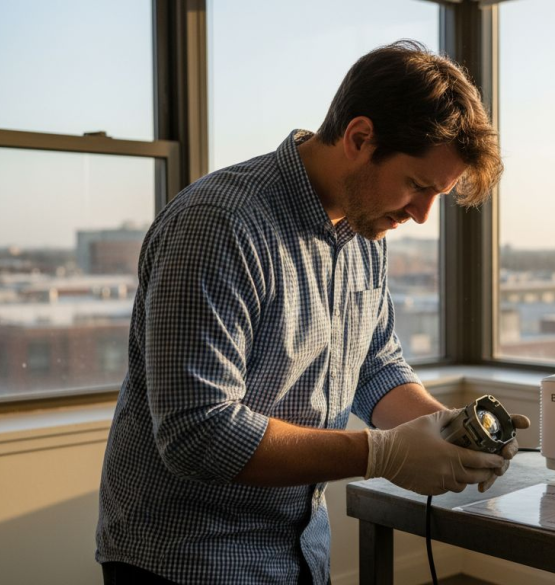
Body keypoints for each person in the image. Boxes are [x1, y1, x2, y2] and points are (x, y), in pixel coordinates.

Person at [95, 40, 529, 585]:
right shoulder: (220, 225)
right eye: (417, 186)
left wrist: (443, 430)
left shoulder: (366, 230)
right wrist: (383, 454)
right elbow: (196, 431)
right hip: (189, 561)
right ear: (359, 137)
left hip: (299, 554)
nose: (421, 215)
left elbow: (375, 365)